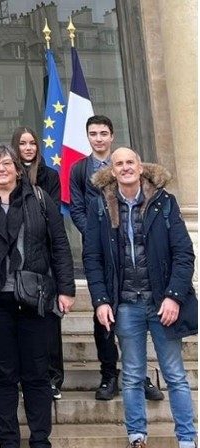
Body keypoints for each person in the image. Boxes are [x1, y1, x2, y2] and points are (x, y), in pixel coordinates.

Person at [82, 147, 197, 448]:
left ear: (140, 166)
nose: (125, 168)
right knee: (131, 376)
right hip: (126, 305)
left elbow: (183, 253)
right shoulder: (101, 207)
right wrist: (101, 300)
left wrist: (174, 296)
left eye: (130, 162)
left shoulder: (164, 203)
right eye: (119, 164)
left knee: (174, 375)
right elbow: (92, 257)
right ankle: (137, 446)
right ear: (113, 171)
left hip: (162, 303)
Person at [0, 145, 75, 448]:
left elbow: (60, 245)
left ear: (18, 168)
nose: (0, 167)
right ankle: (9, 447)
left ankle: (41, 446)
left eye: (7, 163)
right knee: (3, 374)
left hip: (35, 298)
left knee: (37, 375)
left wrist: (66, 289)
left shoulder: (40, 200)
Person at [69, 116, 162, 402]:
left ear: (112, 136)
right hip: (100, 252)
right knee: (104, 313)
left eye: (103, 133)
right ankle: (109, 373)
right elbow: (76, 207)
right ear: (87, 137)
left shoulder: (125, 165)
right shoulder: (79, 169)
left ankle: (141, 375)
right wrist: (95, 234)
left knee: (136, 313)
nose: (98, 138)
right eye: (93, 133)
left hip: (131, 251)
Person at [11, 126, 64, 399]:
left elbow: (52, 213)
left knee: (50, 321)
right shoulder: (11, 173)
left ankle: (53, 377)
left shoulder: (49, 175)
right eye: (23, 143)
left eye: (32, 143)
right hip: (21, 261)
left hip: (45, 258)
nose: (29, 148)